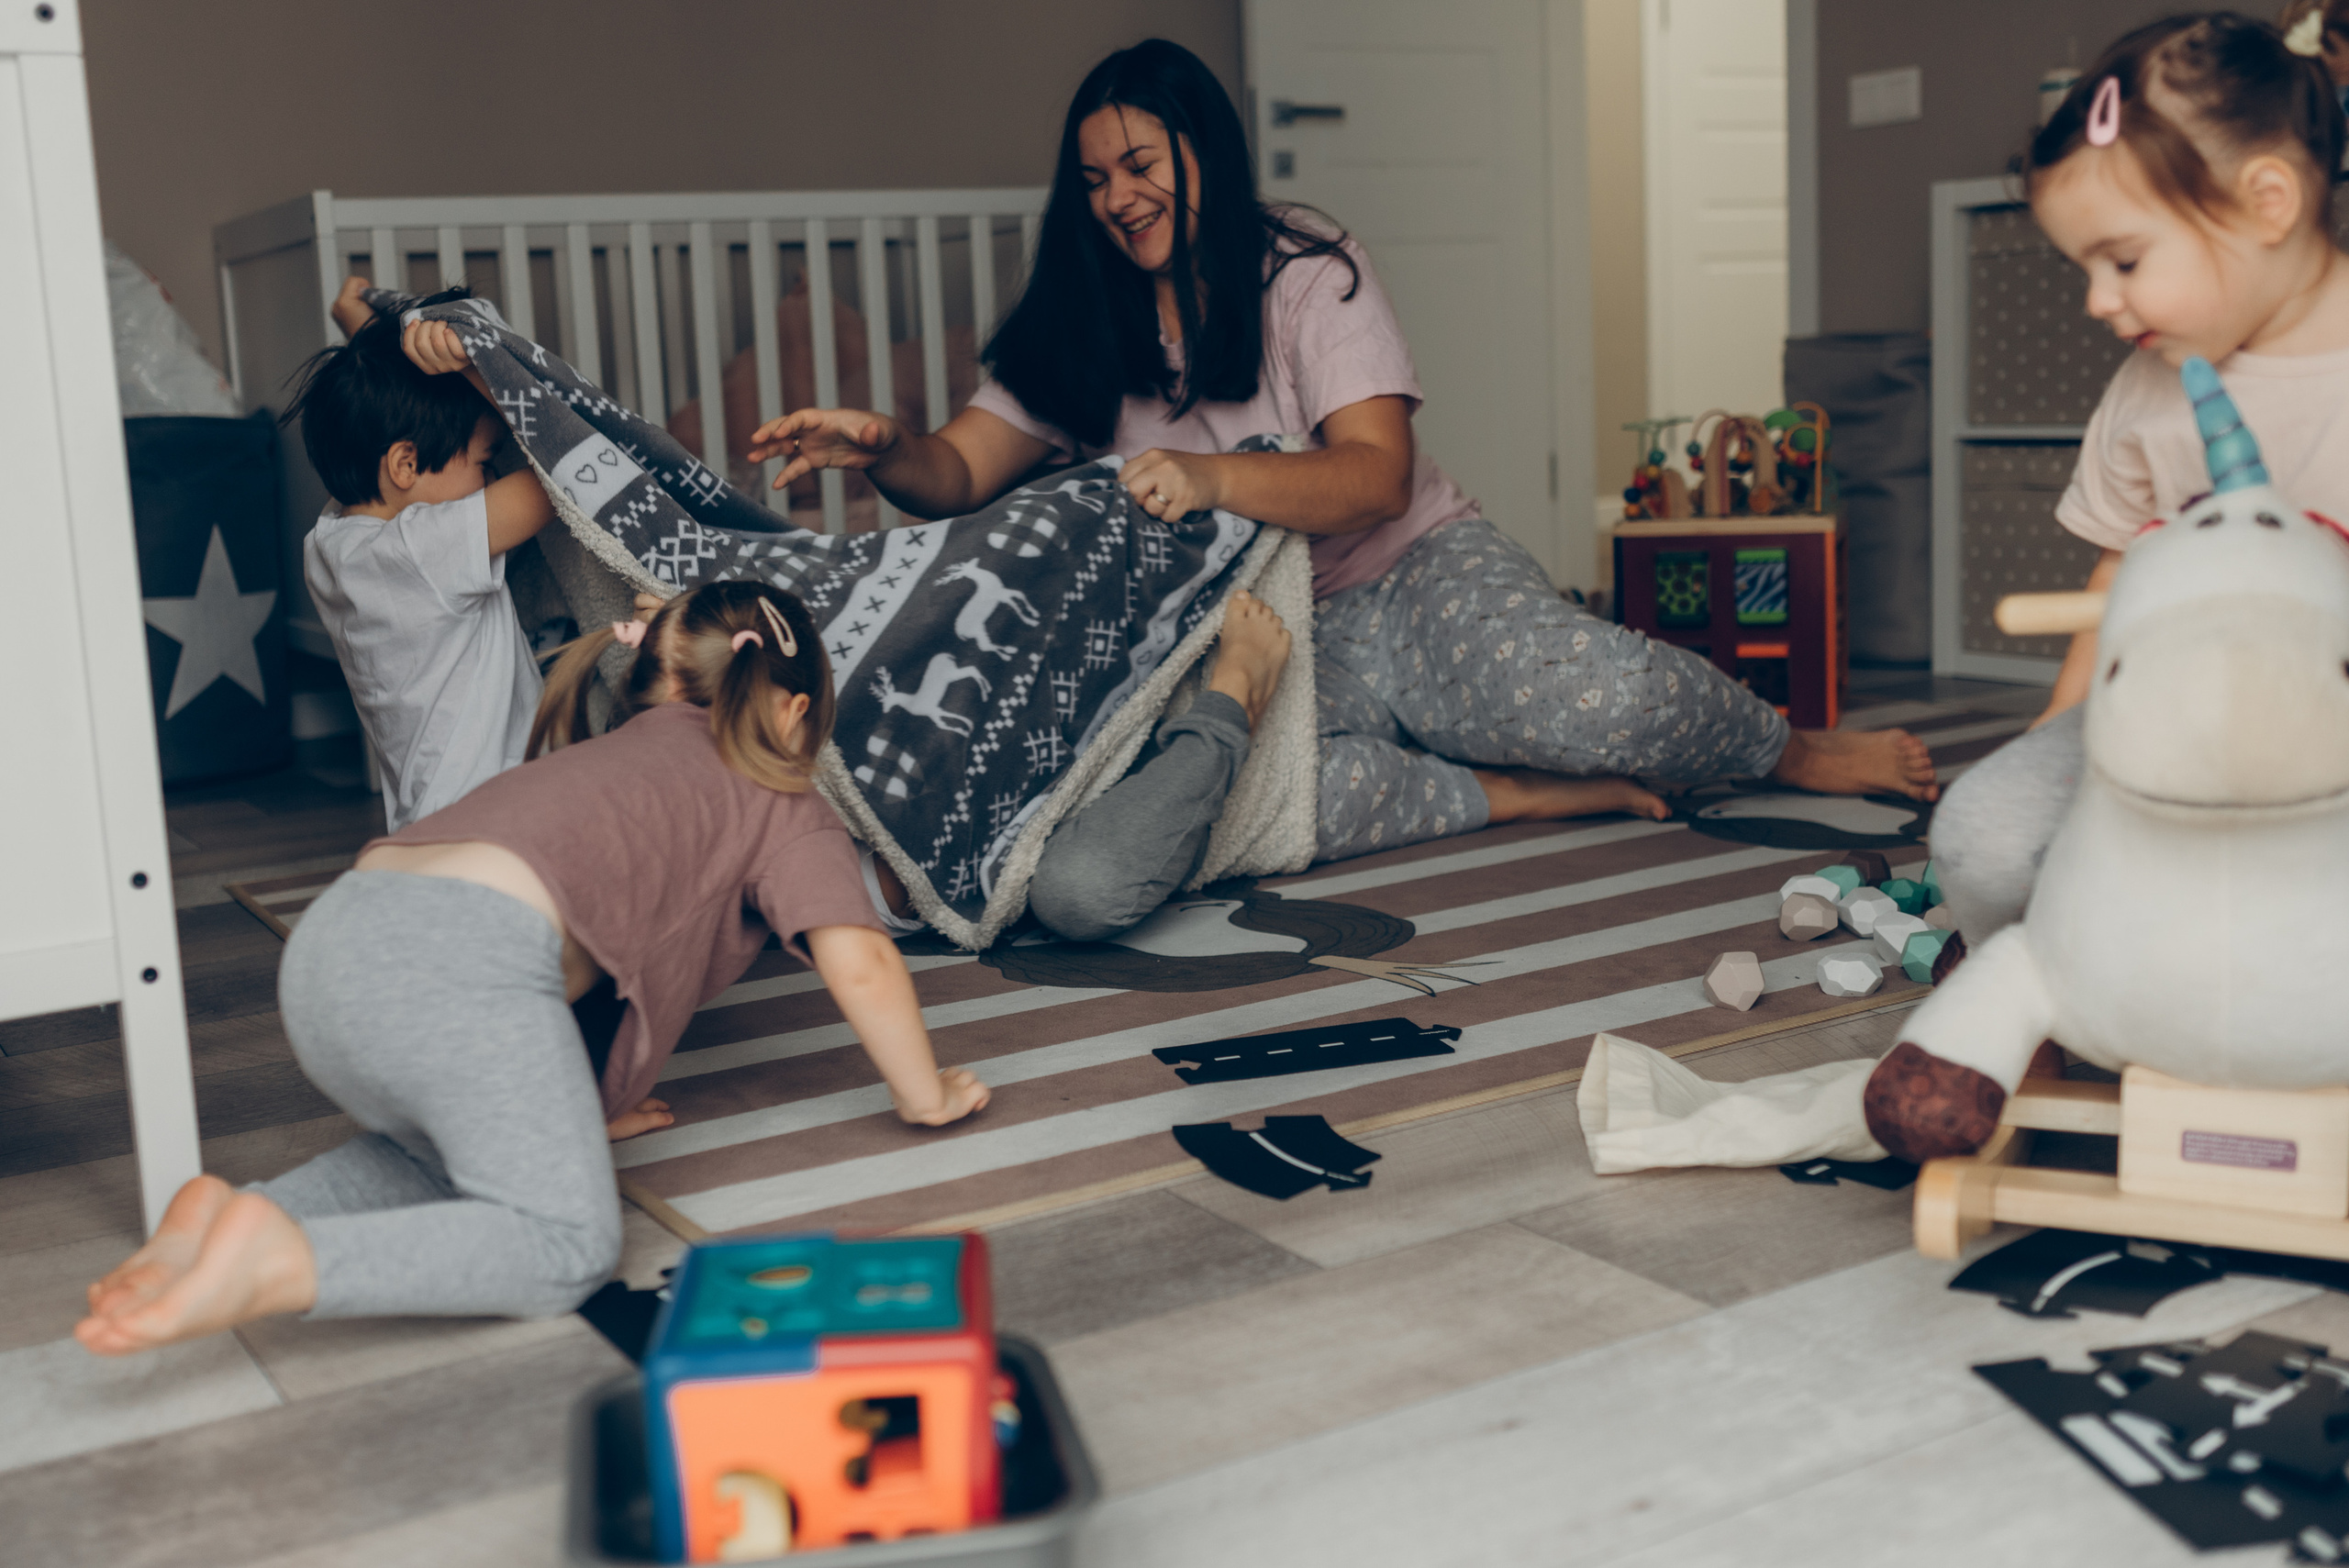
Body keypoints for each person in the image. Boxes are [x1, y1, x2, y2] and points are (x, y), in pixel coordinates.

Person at [747, 39, 1938, 941]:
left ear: (1202, 150)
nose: (1119, 196)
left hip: (1406, 572)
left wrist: (1218, 477)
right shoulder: (1075, 320)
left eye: (1142, 163)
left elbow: (1377, 478)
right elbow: (954, 471)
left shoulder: (1304, 266)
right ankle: (1515, 794)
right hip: (1255, 638)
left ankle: (1788, 750)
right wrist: (882, 442)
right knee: (1234, 806)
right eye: (1097, 177)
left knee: (1606, 699)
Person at [76, 582, 990, 1354]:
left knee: (448, 1160)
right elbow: (861, 955)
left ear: (655, 679)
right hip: (460, 962)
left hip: (331, 944)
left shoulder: (607, 759)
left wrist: (566, 1101)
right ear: (793, 713)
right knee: (565, 1245)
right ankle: (286, 1262)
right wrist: (925, 1092)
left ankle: (227, 1218)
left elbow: (580, 958)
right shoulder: (775, 793)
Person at [1930, 11, 2349, 950]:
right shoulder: (2147, 389)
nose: (2097, 300)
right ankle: (2037, 988)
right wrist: (2054, 731)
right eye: (2084, 266)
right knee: (1982, 836)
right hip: (2160, 724)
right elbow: (2115, 577)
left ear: (2267, 202)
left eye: (2122, 260)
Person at [285, 284, 553, 831]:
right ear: (406, 464)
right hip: (499, 815)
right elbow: (561, 471)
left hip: (432, 818)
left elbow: (371, 424)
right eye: (484, 461)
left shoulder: (333, 540)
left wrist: (365, 327)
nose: (493, 477)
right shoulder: (424, 549)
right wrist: (482, 372)